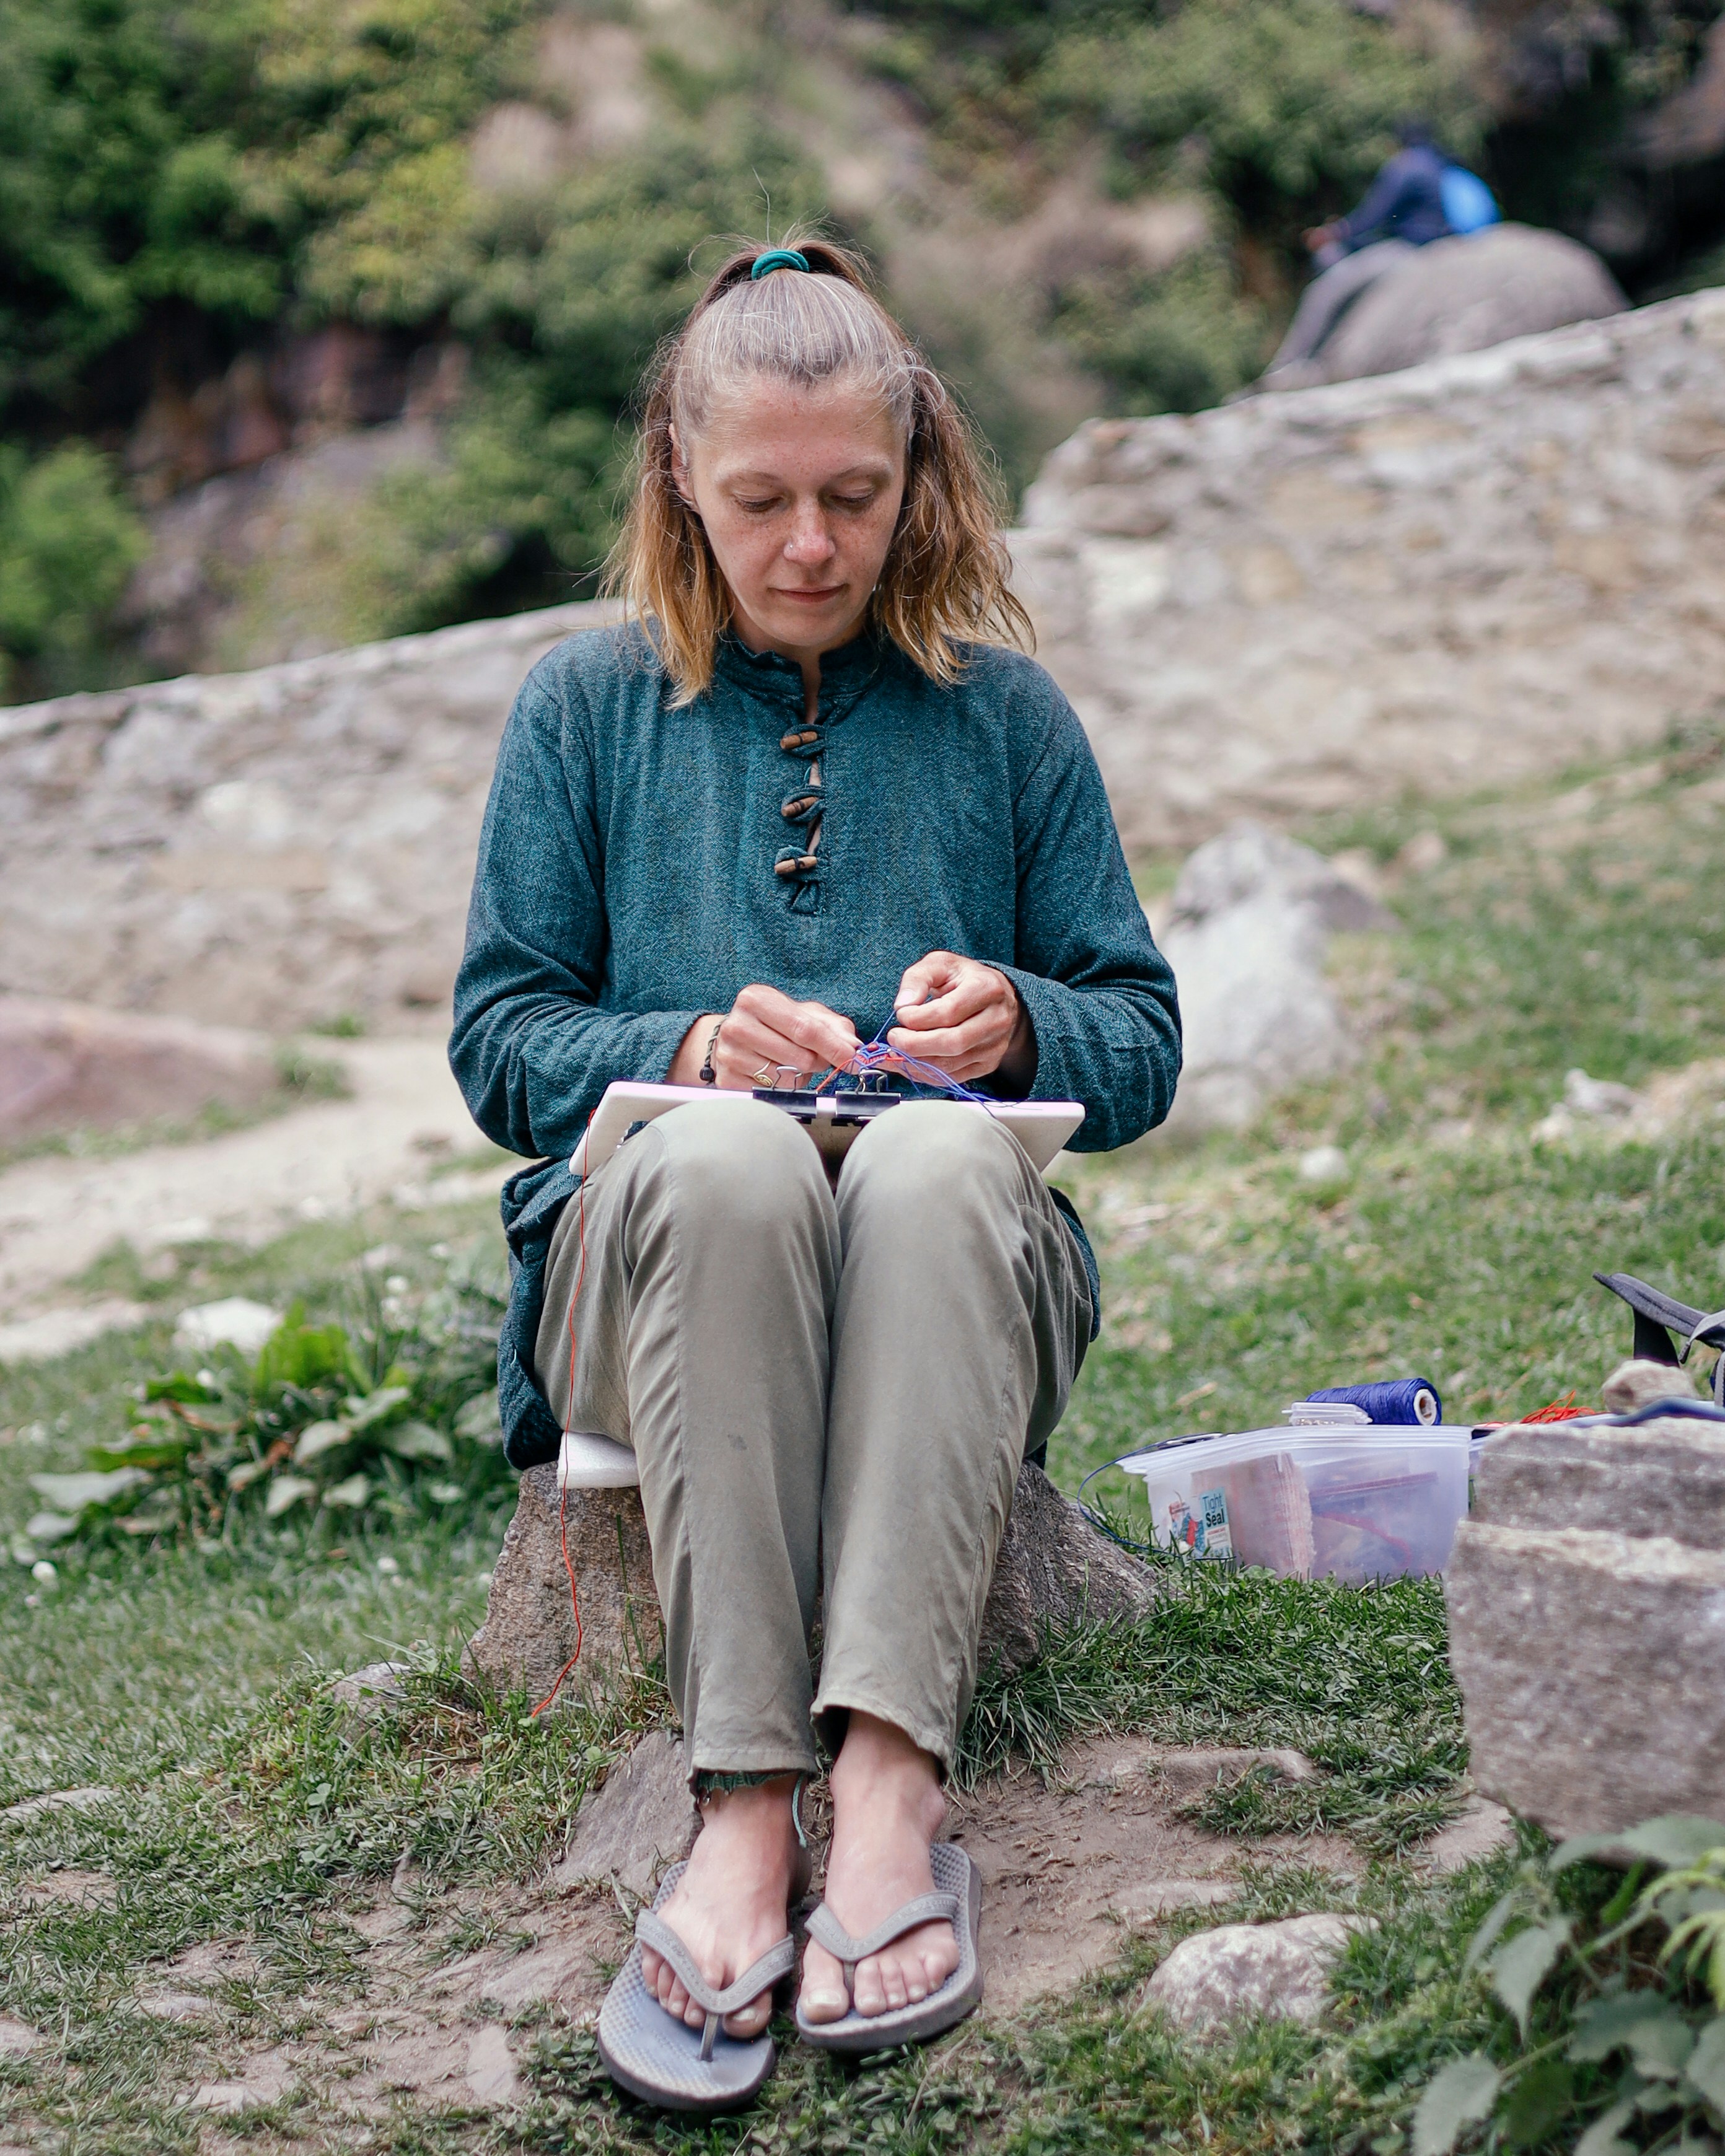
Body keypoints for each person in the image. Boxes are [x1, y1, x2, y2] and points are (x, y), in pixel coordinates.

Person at [449, 235, 1180, 2110]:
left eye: (853, 496)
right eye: (761, 498)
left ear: (918, 465)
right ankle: (740, 1805)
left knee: (937, 1165)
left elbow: (1142, 1037)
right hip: (666, 1267)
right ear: (679, 477)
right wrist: (681, 1050)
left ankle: (883, 1789)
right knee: (727, 1164)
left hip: (948, 1268)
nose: (806, 544)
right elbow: (497, 1045)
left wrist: (1021, 1017)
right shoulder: (580, 712)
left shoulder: (1004, 718)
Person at [1265, 121, 1499, 380]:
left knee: (1326, 288)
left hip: (1410, 250)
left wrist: (1335, 233)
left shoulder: (1406, 167)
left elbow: (1372, 218)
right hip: (1441, 246)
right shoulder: (1439, 165)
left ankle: (1287, 368)